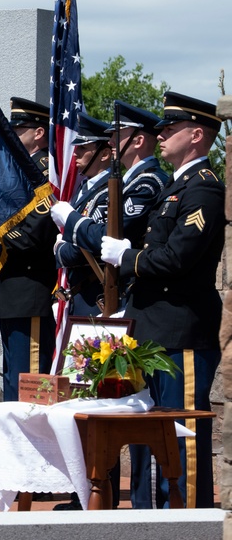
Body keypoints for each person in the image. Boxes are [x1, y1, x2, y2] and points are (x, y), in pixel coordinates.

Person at [101, 91, 225, 509]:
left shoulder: (203, 189)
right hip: (152, 327)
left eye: (169, 129)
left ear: (195, 135)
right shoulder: (175, 187)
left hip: (180, 332)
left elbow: (177, 258)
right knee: (145, 436)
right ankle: (147, 517)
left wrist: (127, 258)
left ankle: (186, 521)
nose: (162, 135)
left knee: (180, 434)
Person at [52, 102, 169, 315]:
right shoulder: (128, 182)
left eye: (118, 134)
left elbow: (108, 237)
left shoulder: (148, 183)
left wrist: (70, 222)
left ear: (139, 140)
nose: (111, 141)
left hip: (124, 293)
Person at [0, 97, 57, 403]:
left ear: (39, 133)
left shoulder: (45, 174)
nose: (11, 136)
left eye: (19, 130)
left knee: (31, 391)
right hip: (12, 292)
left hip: (29, 291)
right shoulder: (19, 172)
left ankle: (34, 451)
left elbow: (31, 235)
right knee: (16, 385)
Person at [50, 112, 113, 315]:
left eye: (83, 148)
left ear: (104, 154)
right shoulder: (85, 188)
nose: (75, 154)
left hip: (96, 298)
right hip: (79, 297)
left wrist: (59, 249)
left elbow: (87, 247)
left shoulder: (109, 191)